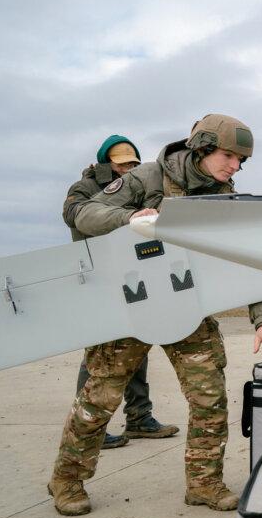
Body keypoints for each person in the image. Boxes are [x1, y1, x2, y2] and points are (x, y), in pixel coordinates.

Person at [48, 115, 262, 516]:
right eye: (229, 155)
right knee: (98, 401)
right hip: (131, 304)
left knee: (209, 399)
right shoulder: (146, 178)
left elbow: (251, 259)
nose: (235, 166)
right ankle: (67, 479)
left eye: (241, 160)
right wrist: (128, 219)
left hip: (186, 306)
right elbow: (81, 213)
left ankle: (204, 483)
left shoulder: (224, 197)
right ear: (203, 146)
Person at [63, 135, 178, 449]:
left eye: (133, 164)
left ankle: (140, 417)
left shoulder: (137, 186)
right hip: (99, 277)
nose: (128, 170)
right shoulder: (84, 189)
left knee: (137, 346)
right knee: (98, 356)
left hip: (131, 275)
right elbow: (77, 217)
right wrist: (125, 217)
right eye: (121, 164)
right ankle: (89, 427)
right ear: (106, 164)